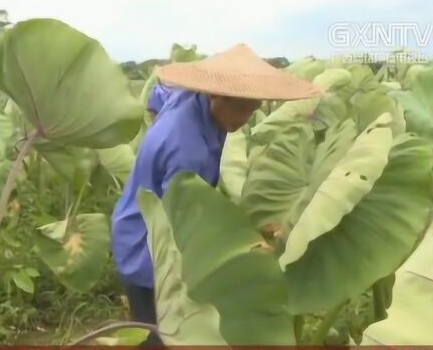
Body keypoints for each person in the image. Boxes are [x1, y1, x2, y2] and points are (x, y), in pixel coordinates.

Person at [111, 43, 321, 346]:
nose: (245, 120)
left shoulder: (193, 99)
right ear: (217, 95)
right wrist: (248, 241)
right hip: (148, 246)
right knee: (160, 335)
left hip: (141, 223)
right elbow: (183, 227)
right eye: (240, 109)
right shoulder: (187, 149)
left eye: (252, 110)